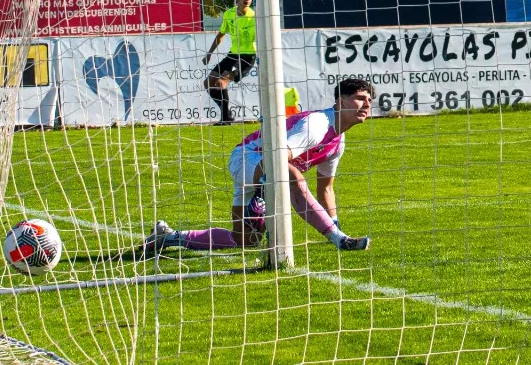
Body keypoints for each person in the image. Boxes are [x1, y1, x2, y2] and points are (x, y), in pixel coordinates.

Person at [141, 77, 375, 256]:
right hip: (247, 159)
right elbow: (277, 157)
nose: (366, 104)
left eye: (369, 101)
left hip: (264, 173)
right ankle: (339, 241)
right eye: (360, 98)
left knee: (245, 241)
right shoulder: (317, 124)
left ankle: (169, 237)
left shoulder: (338, 142)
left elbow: (326, 189)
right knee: (292, 176)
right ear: (340, 101)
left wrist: (334, 223)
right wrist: (335, 233)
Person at [203, 0, 257, 123]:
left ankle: (225, 119)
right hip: (232, 55)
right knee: (208, 83)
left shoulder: (254, 17)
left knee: (221, 82)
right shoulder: (229, 14)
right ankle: (227, 114)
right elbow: (221, 35)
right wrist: (209, 53)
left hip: (247, 57)